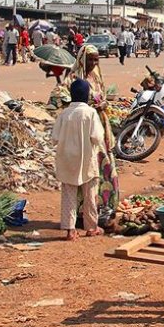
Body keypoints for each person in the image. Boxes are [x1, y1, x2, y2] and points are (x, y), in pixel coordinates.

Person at [68, 45, 120, 217]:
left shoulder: (97, 77)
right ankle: (83, 211)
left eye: (96, 59)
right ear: (82, 59)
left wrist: (103, 104)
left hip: (100, 125)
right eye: (90, 59)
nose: (93, 62)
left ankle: (103, 205)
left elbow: (103, 97)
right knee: (86, 167)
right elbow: (66, 102)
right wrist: (88, 106)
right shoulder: (74, 78)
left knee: (104, 164)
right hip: (84, 127)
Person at [52, 79, 106, 240]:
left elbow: (55, 138)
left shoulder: (64, 114)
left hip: (67, 159)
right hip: (87, 159)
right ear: (87, 95)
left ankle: (70, 230)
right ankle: (91, 227)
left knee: (69, 195)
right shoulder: (90, 113)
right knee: (90, 195)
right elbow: (97, 137)